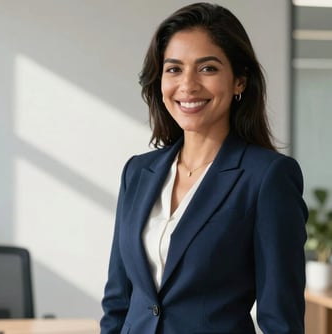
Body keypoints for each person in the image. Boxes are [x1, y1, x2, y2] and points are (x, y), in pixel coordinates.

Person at [100, 2, 308, 333]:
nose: (188, 85)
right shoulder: (138, 173)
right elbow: (118, 302)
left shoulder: (267, 177)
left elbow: (280, 318)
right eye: (174, 69)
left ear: (239, 80)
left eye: (207, 68)